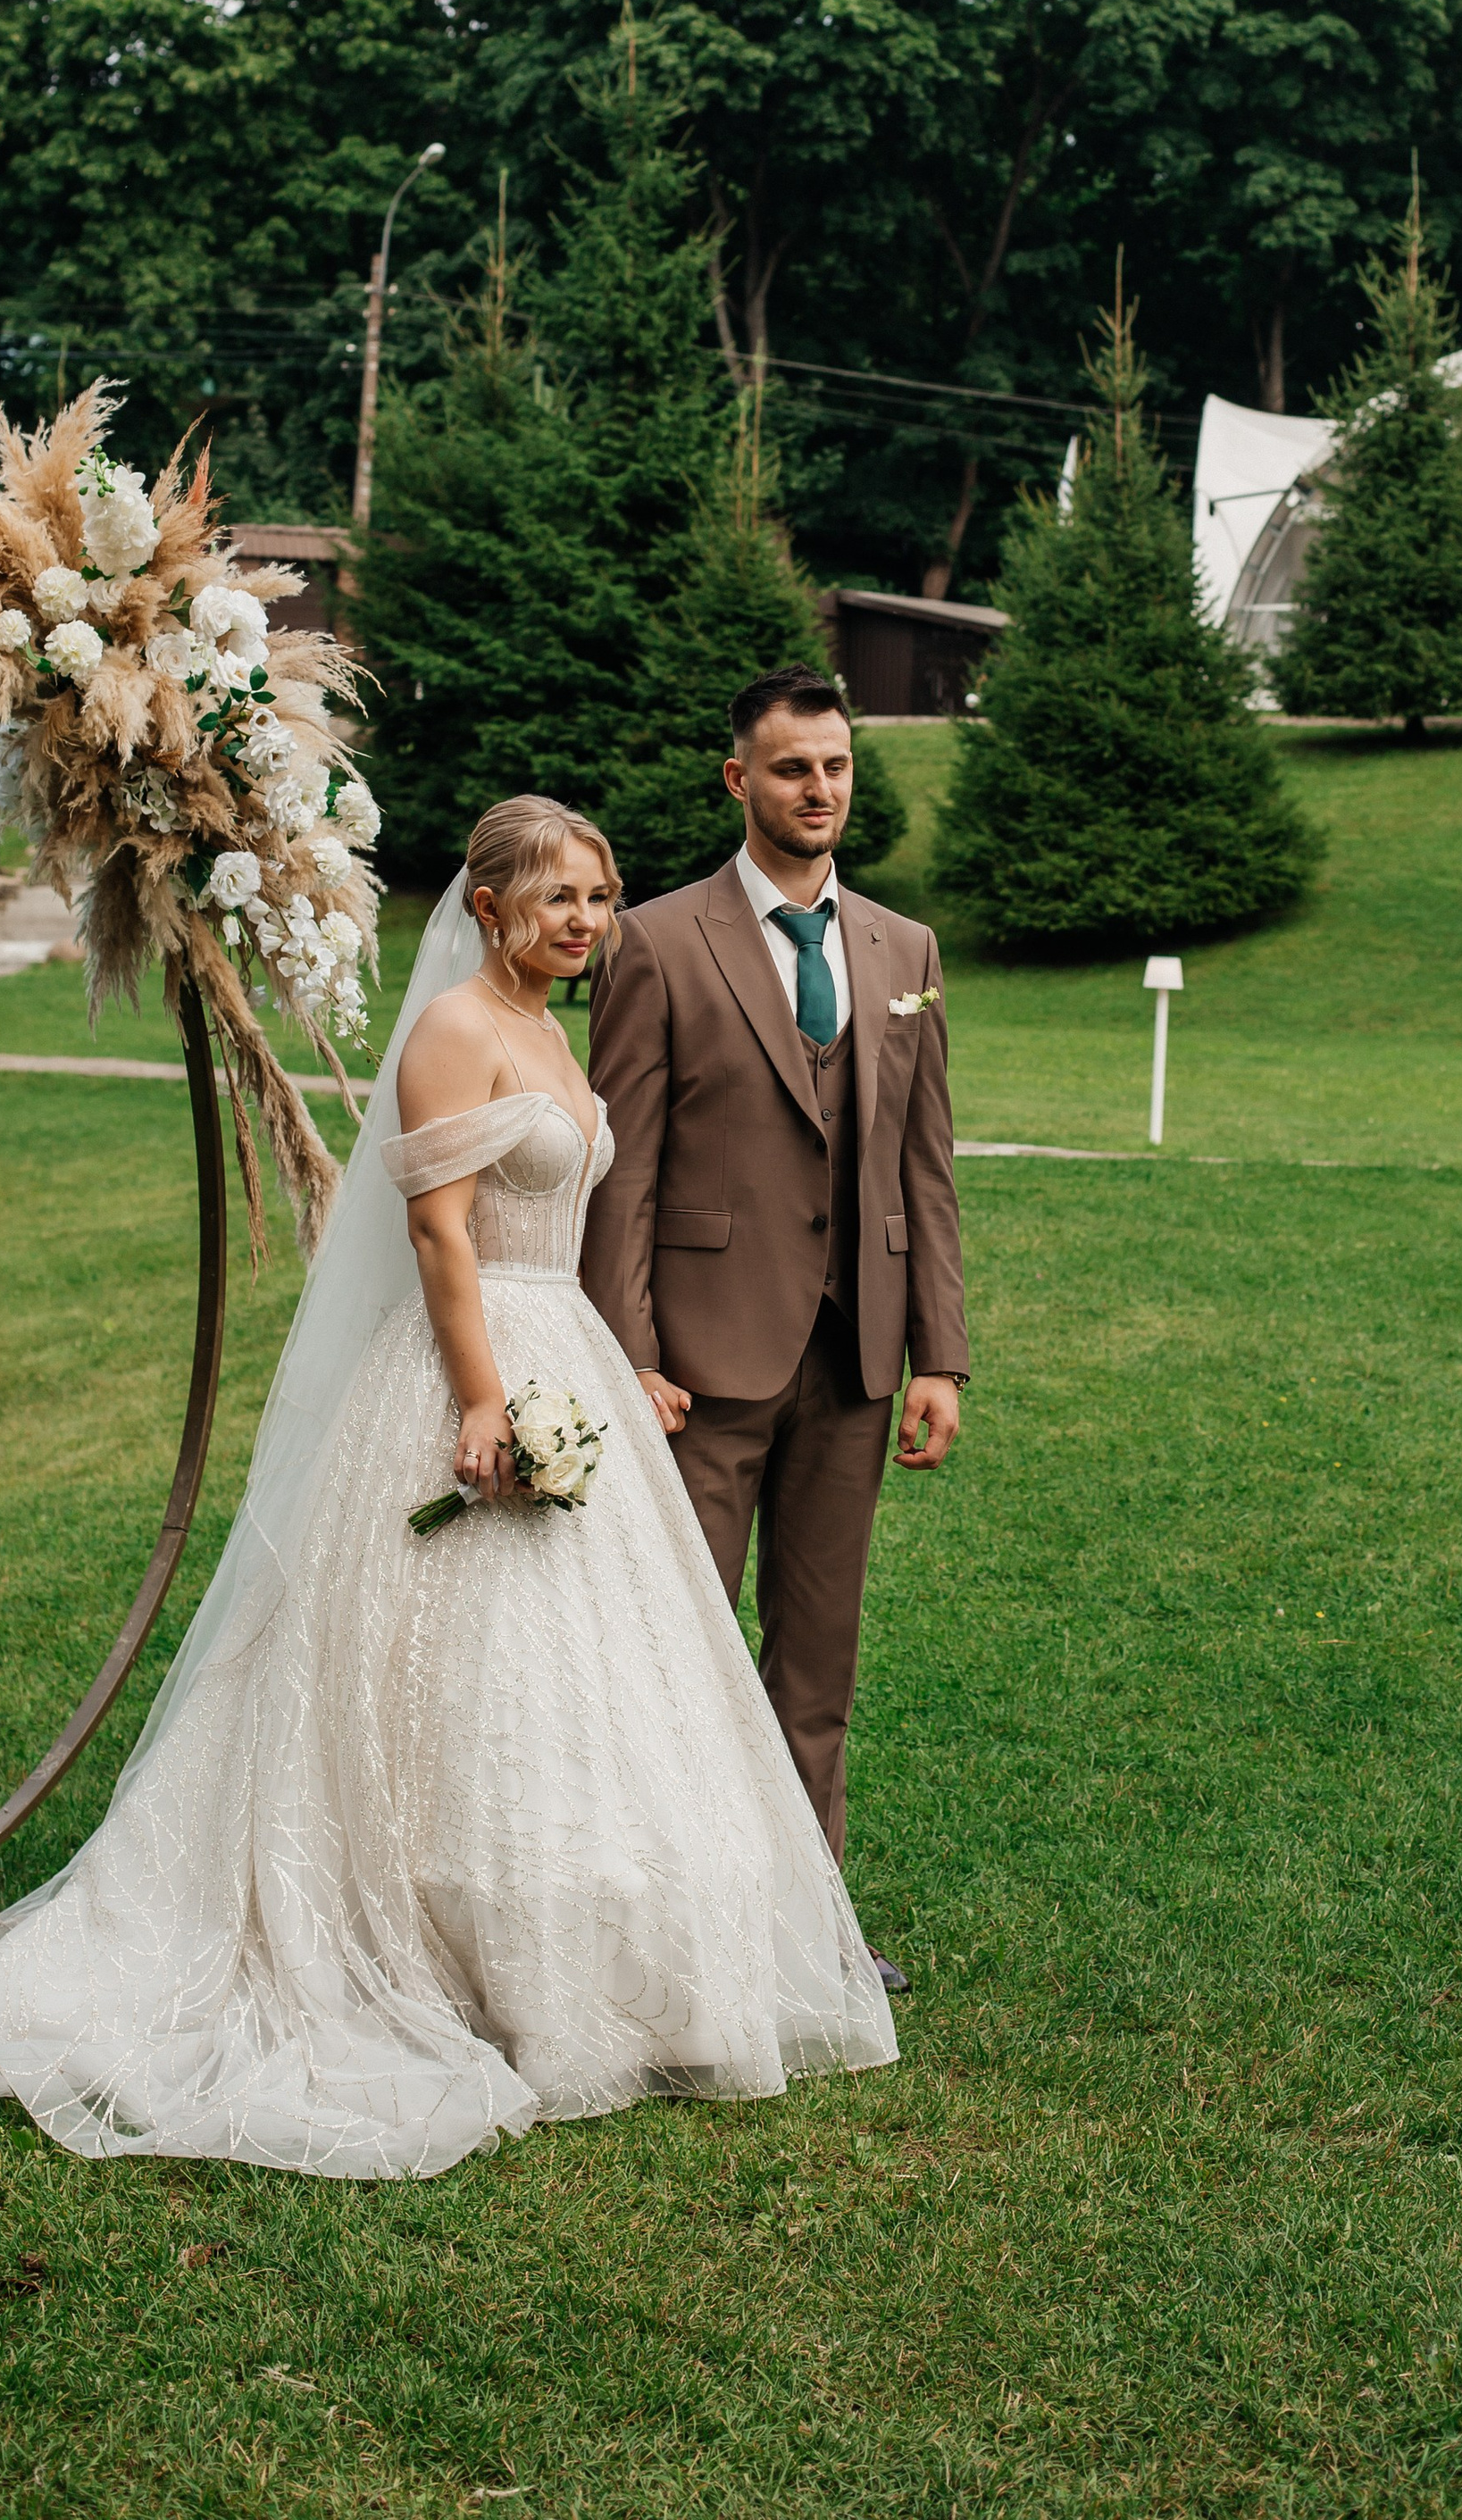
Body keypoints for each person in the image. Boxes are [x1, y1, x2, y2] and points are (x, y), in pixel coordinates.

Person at [0, 797, 895, 2175]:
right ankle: (435, 1932)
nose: (588, 921)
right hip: (472, 1360)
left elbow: (547, 1229)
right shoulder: (455, 1029)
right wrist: (486, 1397)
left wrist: (620, 1367)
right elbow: (442, 1233)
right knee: (446, 1653)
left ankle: (598, 1947)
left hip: (560, 1333)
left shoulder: (552, 1031)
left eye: (602, 895)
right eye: (560, 897)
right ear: (488, 903)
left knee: (590, 1671)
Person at [581, 665, 969, 1989]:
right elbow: (618, 1170)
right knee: (677, 1654)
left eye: (839, 767)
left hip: (857, 1359)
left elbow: (927, 1165)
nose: (821, 790)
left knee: (818, 1659)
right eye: (794, 768)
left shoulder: (903, 951)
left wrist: (942, 1358)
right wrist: (621, 1351)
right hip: (697, 1362)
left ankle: (810, 1931)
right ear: (738, 780)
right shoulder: (655, 941)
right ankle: (671, 1928)